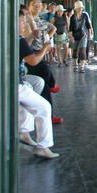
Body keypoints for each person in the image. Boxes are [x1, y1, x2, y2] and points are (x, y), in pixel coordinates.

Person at [18, 12, 59, 158]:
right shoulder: (18, 39)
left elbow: (24, 50)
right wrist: (45, 49)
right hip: (15, 83)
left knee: (38, 82)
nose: (24, 24)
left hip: (19, 80)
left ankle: (23, 129)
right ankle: (43, 146)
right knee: (44, 107)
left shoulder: (17, 38)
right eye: (22, 21)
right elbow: (33, 60)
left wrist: (31, 37)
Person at [23, 0, 64, 124]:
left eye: (39, 3)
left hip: (38, 53)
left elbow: (53, 28)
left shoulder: (41, 20)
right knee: (44, 71)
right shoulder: (25, 20)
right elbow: (28, 37)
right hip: (29, 55)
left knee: (44, 87)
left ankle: (49, 116)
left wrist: (47, 37)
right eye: (34, 3)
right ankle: (52, 85)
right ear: (28, 6)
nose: (37, 5)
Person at [69, 0, 92, 73]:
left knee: (82, 51)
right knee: (75, 51)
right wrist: (71, 36)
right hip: (75, 35)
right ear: (75, 9)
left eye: (81, 8)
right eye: (78, 8)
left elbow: (88, 25)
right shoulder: (73, 17)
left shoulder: (85, 15)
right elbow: (70, 28)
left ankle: (82, 67)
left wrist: (90, 34)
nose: (80, 9)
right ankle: (75, 65)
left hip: (83, 35)